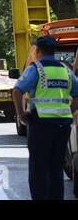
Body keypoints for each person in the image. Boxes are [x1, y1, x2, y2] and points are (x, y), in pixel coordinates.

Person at [12, 35, 78, 200]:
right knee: (56, 168)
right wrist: (69, 111)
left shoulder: (36, 69)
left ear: (38, 51)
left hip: (41, 125)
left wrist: (21, 114)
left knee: (38, 169)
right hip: (62, 126)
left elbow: (17, 90)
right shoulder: (65, 70)